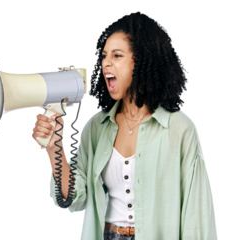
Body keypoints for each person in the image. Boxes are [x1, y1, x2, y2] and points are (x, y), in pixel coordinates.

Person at [31, 9, 218, 240]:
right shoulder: (96, 126)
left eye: (117, 56)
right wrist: (54, 149)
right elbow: (74, 199)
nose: (106, 63)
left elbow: (196, 216)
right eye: (104, 55)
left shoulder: (180, 128)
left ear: (142, 61)